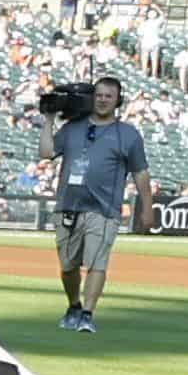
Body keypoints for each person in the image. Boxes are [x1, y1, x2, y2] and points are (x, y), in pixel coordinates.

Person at [44, 74, 143, 334]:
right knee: (68, 266)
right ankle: (74, 305)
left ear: (118, 100)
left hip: (104, 209)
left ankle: (88, 313)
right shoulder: (72, 128)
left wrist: (148, 207)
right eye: (98, 95)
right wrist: (48, 119)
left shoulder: (128, 134)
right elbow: (46, 153)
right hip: (68, 205)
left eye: (108, 96)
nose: (102, 100)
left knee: (97, 262)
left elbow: (141, 172)